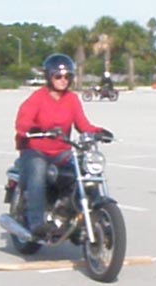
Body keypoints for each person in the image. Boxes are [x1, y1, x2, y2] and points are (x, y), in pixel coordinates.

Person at [14, 54, 111, 239]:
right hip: (36, 150)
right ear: (49, 77)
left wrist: (99, 132)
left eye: (67, 76)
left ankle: (77, 213)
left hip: (61, 151)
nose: (63, 80)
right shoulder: (37, 98)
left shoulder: (72, 99)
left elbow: (83, 125)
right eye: (58, 76)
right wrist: (33, 128)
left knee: (84, 169)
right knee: (38, 170)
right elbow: (23, 121)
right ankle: (36, 223)